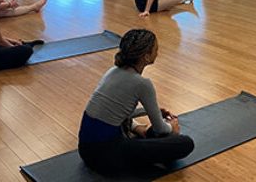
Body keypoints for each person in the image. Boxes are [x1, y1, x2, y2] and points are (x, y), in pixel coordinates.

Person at [77, 29, 195, 175]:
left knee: (152, 135)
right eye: (155, 49)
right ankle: (145, 142)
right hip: (107, 157)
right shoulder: (142, 83)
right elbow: (160, 129)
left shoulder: (112, 71)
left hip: (86, 150)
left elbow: (115, 113)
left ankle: (142, 135)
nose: (157, 52)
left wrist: (150, 112)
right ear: (146, 57)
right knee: (185, 143)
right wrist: (173, 127)